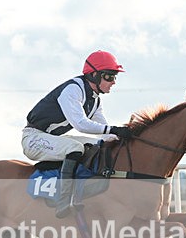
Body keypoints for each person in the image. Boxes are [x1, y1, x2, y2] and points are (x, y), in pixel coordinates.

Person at [22, 50, 133, 218]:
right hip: (33, 139)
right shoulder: (73, 89)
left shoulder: (95, 100)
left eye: (115, 77)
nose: (113, 82)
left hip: (52, 138)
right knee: (75, 147)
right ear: (95, 75)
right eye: (109, 77)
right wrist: (113, 129)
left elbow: (103, 131)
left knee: (98, 145)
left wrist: (123, 136)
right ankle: (64, 200)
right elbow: (80, 124)